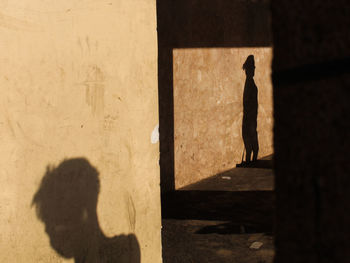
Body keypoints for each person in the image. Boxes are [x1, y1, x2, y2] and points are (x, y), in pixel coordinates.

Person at [32, 158, 140, 263]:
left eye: (57, 221)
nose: (48, 231)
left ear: (83, 214)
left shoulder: (125, 249)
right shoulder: (127, 249)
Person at [242, 55, 259, 163]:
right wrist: (251, 118)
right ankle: (250, 164)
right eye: (252, 68)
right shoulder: (249, 83)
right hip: (250, 120)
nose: (254, 70)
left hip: (251, 119)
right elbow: (247, 103)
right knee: (254, 148)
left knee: (251, 148)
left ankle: (250, 163)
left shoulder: (249, 82)